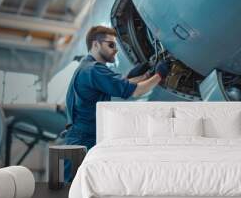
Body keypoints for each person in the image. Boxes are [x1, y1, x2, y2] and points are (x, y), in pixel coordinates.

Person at [62, 25, 170, 181]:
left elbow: (117, 84)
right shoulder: (94, 70)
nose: (115, 49)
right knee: (71, 189)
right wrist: (160, 75)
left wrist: (144, 74)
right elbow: (137, 91)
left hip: (82, 138)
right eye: (111, 45)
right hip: (83, 140)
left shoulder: (88, 68)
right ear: (96, 44)